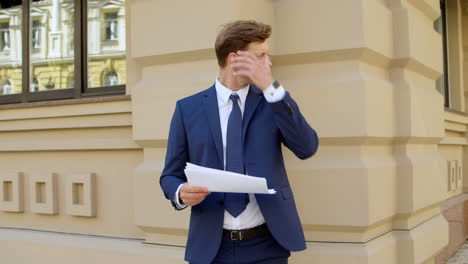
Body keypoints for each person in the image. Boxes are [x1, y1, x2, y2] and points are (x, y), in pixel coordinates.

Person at [160, 20, 319, 264]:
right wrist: (181, 193)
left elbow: (307, 148)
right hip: (212, 247)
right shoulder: (187, 109)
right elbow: (170, 175)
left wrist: (271, 87)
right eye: (261, 56)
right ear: (235, 59)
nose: (269, 62)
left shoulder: (273, 102)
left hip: (268, 244)